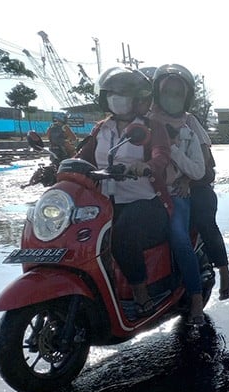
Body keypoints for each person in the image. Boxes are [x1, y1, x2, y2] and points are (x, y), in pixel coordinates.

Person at [76, 66, 172, 318]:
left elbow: (161, 154)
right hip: (104, 204)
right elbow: (82, 158)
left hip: (145, 203)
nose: (116, 98)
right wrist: (58, 167)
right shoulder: (100, 129)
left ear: (139, 98)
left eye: (123, 94)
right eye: (112, 93)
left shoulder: (151, 127)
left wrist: (146, 166)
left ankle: (141, 294)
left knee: (122, 233)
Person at [149, 63, 209, 326]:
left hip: (175, 194)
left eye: (177, 93)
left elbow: (202, 166)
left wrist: (181, 168)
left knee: (179, 238)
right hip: (142, 194)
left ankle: (195, 297)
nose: (171, 98)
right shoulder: (142, 122)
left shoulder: (188, 128)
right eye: (166, 92)